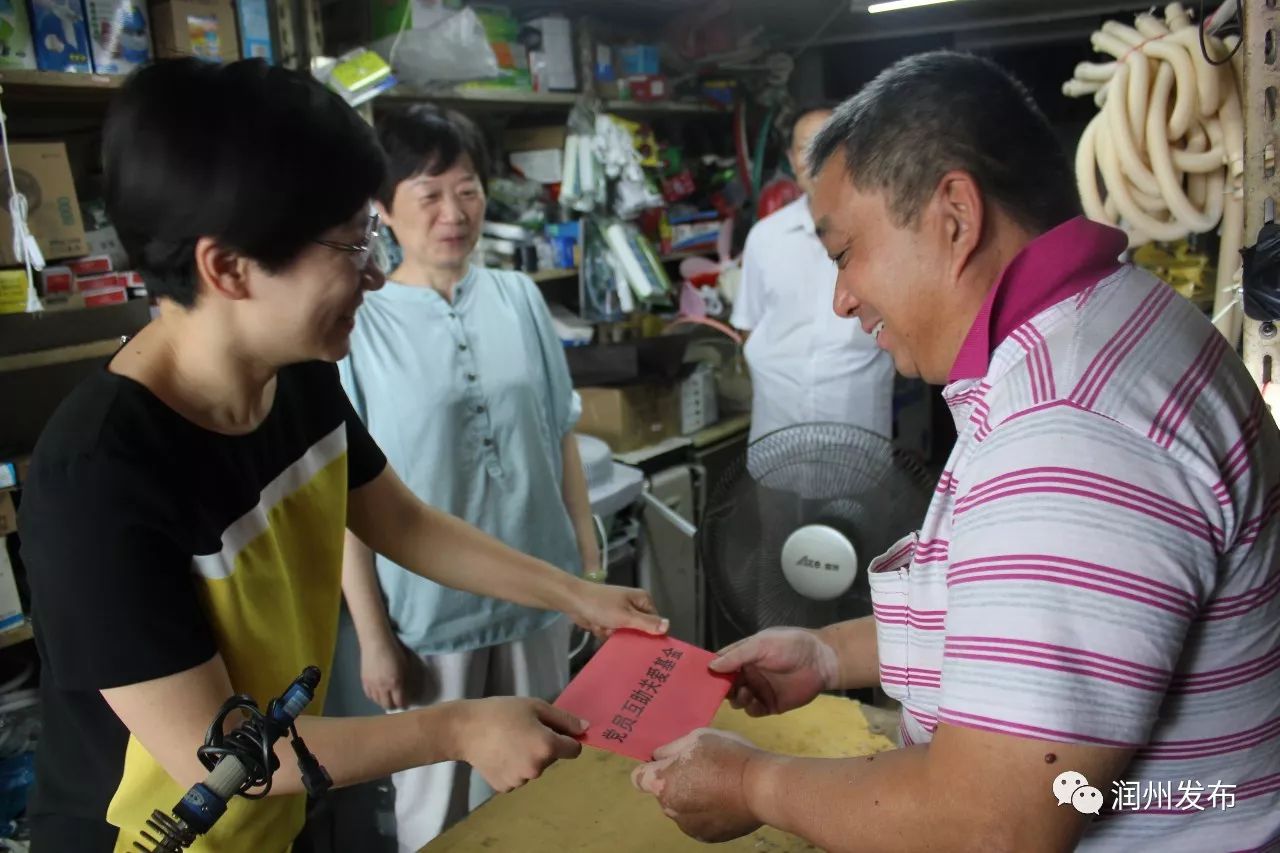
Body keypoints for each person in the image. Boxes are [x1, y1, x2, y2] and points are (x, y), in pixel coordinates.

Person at [633, 50, 1280, 852]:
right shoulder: (1105, 323)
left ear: (955, 217)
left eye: (844, 253)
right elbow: (1025, 620)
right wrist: (828, 654)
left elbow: (989, 822)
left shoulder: (1063, 430)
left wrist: (750, 782)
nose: (840, 298)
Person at [18, 59, 665, 853]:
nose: (377, 270)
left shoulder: (295, 378)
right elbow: (211, 754)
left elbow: (400, 518)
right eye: (352, 242)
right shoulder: (97, 479)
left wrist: (574, 592)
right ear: (226, 267)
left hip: (274, 820)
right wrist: (457, 726)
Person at [334, 104, 600, 850]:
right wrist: (374, 635)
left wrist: (585, 560)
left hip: (541, 589)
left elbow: (562, 432)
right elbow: (348, 502)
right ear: (382, 208)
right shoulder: (362, 321)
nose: (455, 213)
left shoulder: (518, 298)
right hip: (429, 614)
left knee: (548, 778)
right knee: (437, 804)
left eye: (469, 189)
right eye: (429, 194)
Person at [731, 105, 894, 443]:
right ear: (791, 160)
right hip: (778, 432)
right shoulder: (765, 237)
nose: (816, 158)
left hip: (856, 433)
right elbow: (748, 327)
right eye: (806, 148)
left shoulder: (885, 233)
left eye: (828, 144)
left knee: (859, 496)